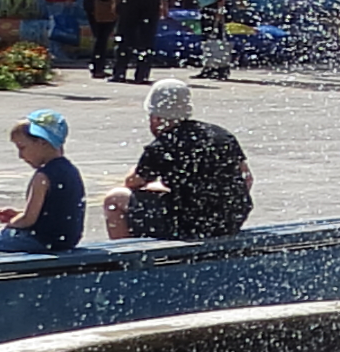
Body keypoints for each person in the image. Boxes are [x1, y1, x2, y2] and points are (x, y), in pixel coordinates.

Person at [106, 82, 252, 239]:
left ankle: (125, 258)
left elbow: (132, 182)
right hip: (231, 220)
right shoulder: (220, 135)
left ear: (156, 118)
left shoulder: (163, 145)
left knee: (115, 198)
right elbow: (247, 178)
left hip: (189, 224)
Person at [0, 109, 84, 254]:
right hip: (65, 241)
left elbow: (28, 220)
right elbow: (58, 213)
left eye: (22, 147)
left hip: (40, 241)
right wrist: (18, 214)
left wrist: (11, 224)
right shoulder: (71, 170)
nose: (20, 155)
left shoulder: (43, 177)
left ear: (42, 142)